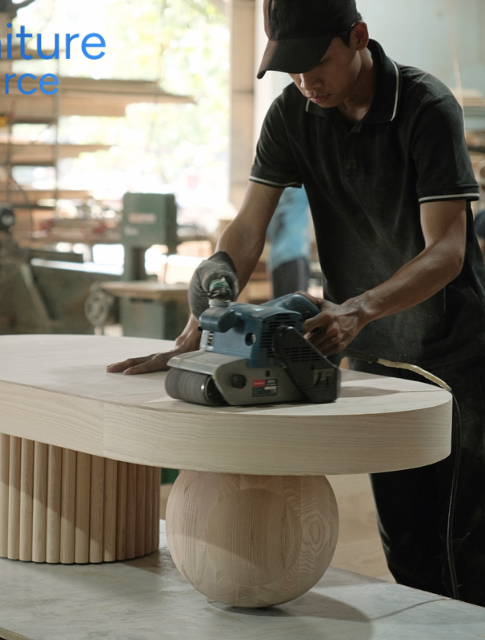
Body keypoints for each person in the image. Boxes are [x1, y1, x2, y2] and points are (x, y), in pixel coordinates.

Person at [108, 0, 485, 606]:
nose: (306, 82)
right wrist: (204, 314)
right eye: (291, 69)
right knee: (409, 550)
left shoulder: (425, 106)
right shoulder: (293, 112)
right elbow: (248, 227)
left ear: (358, 36)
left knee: (466, 551)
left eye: (316, 64)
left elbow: (447, 251)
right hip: (376, 359)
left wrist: (359, 309)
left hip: (455, 361)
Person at [266, 185, 311, 297]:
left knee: (279, 306)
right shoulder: (303, 186)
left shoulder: (273, 189)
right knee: (297, 305)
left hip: (276, 259)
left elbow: (267, 232)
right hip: (295, 253)